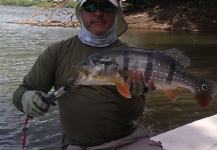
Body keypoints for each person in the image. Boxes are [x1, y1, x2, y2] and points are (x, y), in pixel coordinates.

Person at [13, 0, 164, 150]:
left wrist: (133, 94)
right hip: (77, 146)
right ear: (81, 11)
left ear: (116, 14)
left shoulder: (133, 57)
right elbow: (21, 91)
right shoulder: (57, 52)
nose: (98, 12)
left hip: (128, 141)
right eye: (90, 6)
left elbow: (133, 114)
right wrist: (26, 98)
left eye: (106, 6)